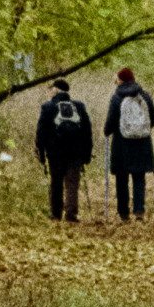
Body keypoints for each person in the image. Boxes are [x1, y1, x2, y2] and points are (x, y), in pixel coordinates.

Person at [34, 74, 94, 222]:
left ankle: (55, 214)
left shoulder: (47, 107)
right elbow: (87, 131)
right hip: (75, 152)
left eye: (52, 89)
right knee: (72, 184)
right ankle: (71, 214)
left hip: (55, 152)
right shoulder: (79, 106)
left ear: (55, 90)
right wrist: (87, 154)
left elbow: (41, 131)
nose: (50, 92)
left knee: (56, 182)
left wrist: (41, 152)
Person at [104, 65, 154, 222]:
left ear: (121, 80)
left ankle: (124, 213)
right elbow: (153, 119)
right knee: (139, 177)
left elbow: (111, 121)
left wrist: (107, 131)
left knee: (122, 178)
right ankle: (139, 211)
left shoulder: (116, 97)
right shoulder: (144, 96)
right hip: (142, 143)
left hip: (121, 144)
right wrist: (141, 130)